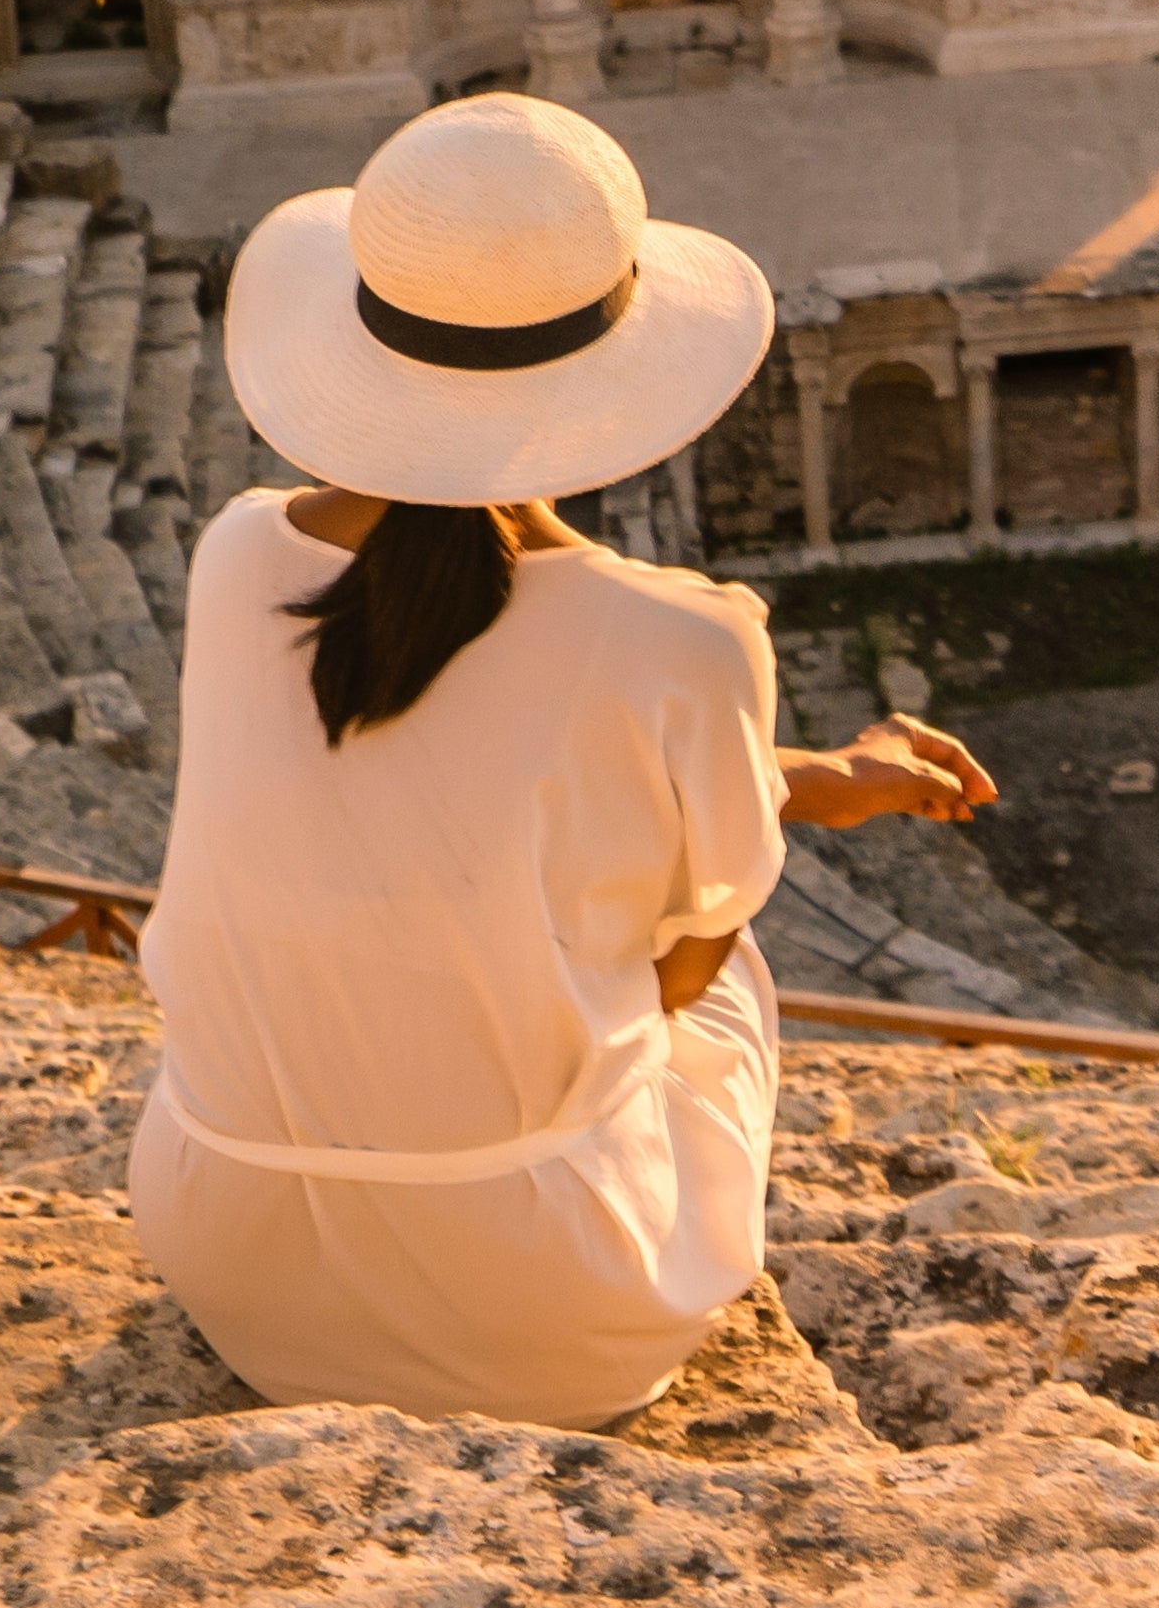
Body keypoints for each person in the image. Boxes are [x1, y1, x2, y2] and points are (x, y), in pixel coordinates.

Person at [128, 91, 993, 1427]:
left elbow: (448, 762)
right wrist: (762, 794)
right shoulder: (681, 638)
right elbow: (664, 972)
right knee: (725, 958)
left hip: (233, 1259)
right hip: (539, 1308)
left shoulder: (237, 552)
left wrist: (805, 774)